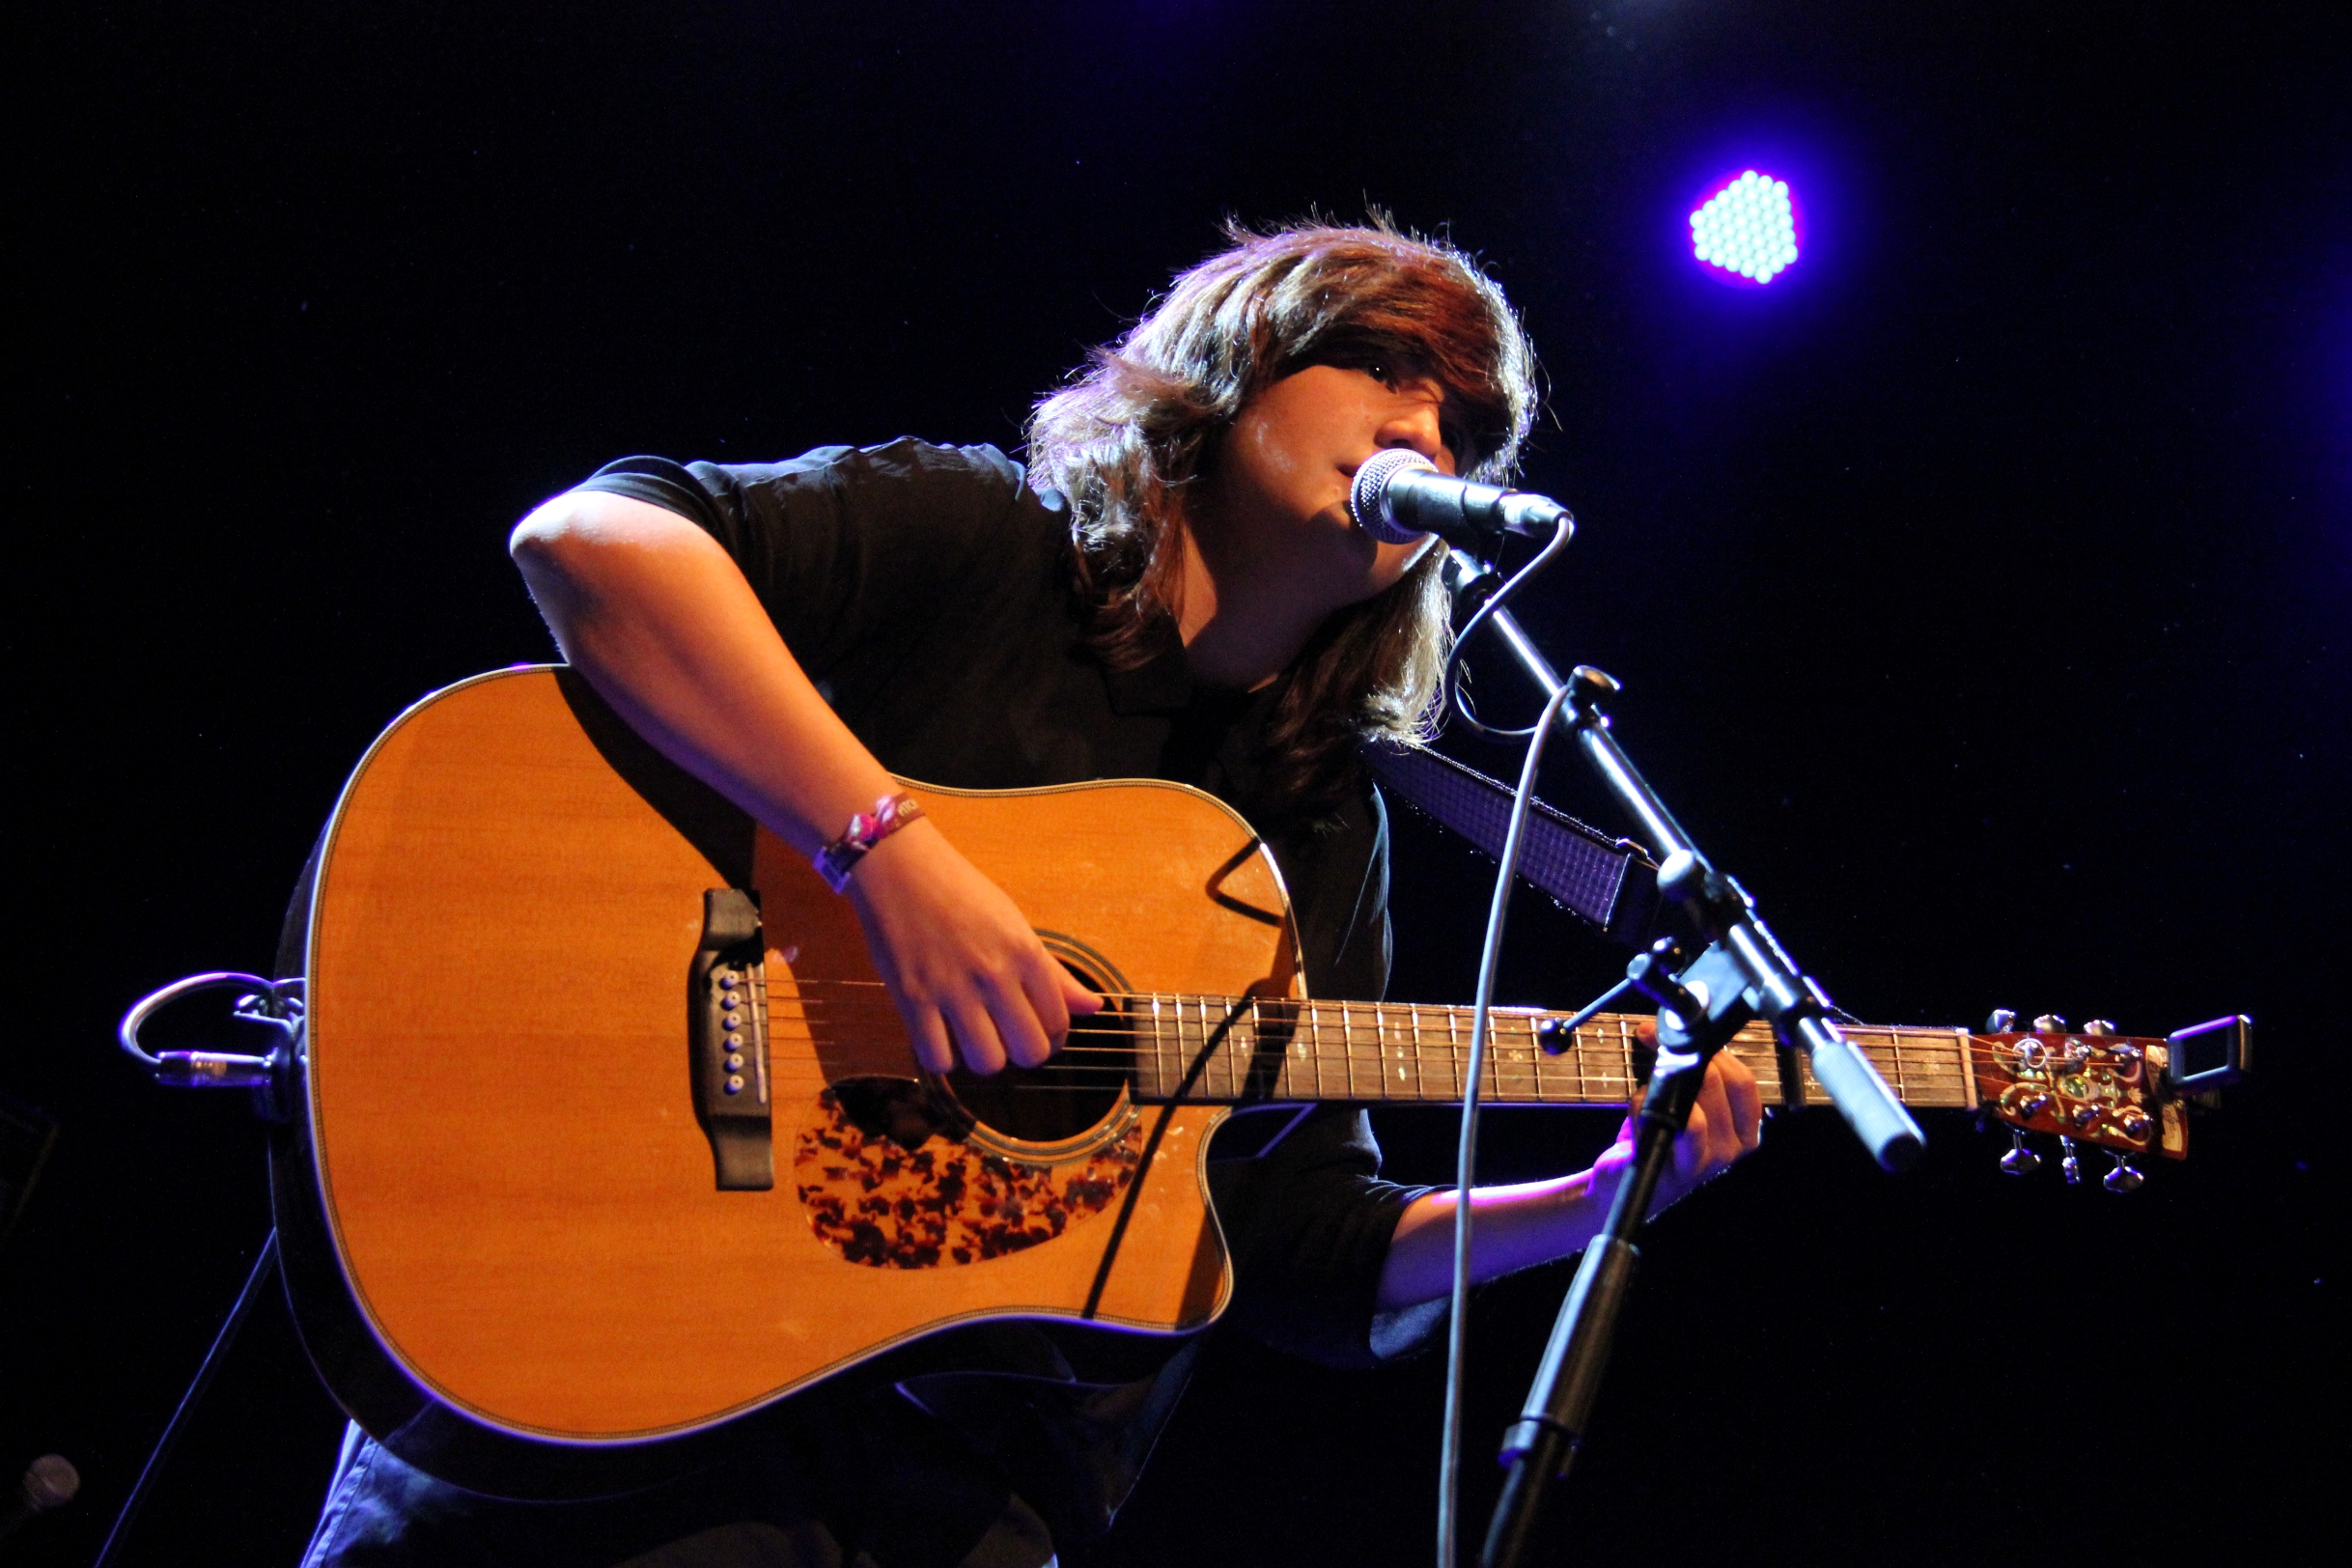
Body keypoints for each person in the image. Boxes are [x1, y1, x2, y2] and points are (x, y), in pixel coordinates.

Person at [300, 220, 1761, 1568]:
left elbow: (1295, 1234)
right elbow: (594, 542)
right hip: (601, 1369)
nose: (1425, 433)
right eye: (1382, 366)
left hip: (952, 1502)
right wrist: (884, 855)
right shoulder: (984, 543)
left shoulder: (1325, 823)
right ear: (1235, 365)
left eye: (1466, 427)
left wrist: (1586, 1201)